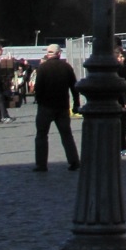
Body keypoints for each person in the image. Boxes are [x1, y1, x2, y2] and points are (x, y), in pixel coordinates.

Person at [32, 44, 80, 172]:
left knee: (41, 135)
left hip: (45, 107)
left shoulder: (43, 68)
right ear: (59, 54)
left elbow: (38, 88)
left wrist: (40, 101)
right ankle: (74, 161)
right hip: (62, 106)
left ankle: (41, 164)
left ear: (48, 54)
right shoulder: (66, 67)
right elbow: (74, 87)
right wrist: (76, 104)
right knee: (66, 135)